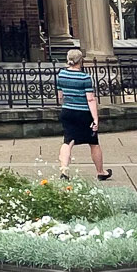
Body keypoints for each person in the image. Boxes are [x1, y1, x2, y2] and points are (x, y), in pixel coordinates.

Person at [56, 46, 112, 181]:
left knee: (68, 141)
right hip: (83, 113)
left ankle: (64, 170)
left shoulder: (61, 75)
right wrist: (95, 119)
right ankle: (100, 171)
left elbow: (60, 96)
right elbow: (90, 99)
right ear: (80, 61)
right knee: (93, 142)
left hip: (67, 111)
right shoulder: (85, 78)